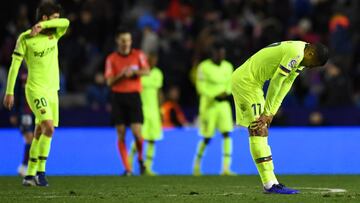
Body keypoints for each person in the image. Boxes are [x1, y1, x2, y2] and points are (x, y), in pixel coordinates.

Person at [231, 41, 328, 194]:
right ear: (310, 54)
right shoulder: (296, 52)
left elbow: (286, 84)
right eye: (313, 64)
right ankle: (269, 184)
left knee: (261, 128)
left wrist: (271, 112)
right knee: (258, 129)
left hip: (252, 84)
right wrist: (267, 111)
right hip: (246, 83)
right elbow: (276, 81)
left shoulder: (301, 55)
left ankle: (271, 182)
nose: (310, 67)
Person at [3, 2, 70, 186]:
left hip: (52, 91)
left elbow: (66, 22)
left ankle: (29, 175)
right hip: (35, 90)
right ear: (44, 17)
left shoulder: (55, 33)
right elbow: (14, 67)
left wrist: (44, 26)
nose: (56, 23)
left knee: (39, 132)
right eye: (52, 19)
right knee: (49, 127)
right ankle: (41, 172)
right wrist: (9, 92)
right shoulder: (25, 38)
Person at [104, 27, 149, 176]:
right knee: (121, 134)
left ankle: (141, 159)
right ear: (118, 41)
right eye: (123, 40)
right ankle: (128, 169)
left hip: (134, 97)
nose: (126, 43)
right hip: (118, 97)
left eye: (128, 40)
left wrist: (134, 72)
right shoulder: (111, 59)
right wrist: (122, 75)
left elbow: (147, 71)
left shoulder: (138, 55)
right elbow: (109, 82)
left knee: (137, 133)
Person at [193, 43, 235, 176]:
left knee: (227, 133)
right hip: (208, 105)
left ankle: (226, 168)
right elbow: (200, 87)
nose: (221, 56)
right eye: (219, 54)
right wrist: (214, 95)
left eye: (223, 54)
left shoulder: (228, 66)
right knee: (207, 137)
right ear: (213, 54)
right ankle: (196, 166)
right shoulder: (203, 67)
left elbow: (230, 83)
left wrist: (226, 92)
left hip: (223, 105)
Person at [129, 53, 163, 176]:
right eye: (151, 59)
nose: (153, 61)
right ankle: (129, 165)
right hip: (141, 109)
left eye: (155, 59)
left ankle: (147, 168)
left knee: (152, 139)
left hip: (154, 111)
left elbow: (159, 92)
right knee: (139, 138)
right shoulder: (140, 73)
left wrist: (161, 109)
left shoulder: (158, 73)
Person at [9, 67, 34, 177]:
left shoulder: (38, 68)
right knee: (29, 137)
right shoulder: (20, 72)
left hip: (36, 110)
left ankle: (31, 167)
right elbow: (16, 92)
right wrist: (13, 113)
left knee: (35, 139)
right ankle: (24, 166)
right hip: (24, 111)